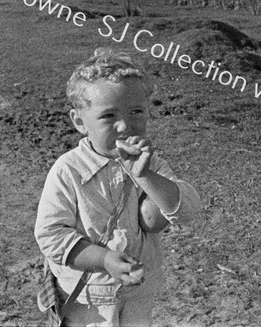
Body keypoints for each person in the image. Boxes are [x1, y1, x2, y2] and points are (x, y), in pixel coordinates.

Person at [35, 48, 201, 326]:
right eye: (109, 116)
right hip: (87, 302)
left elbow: (187, 211)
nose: (125, 126)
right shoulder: (69, 170)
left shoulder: (151, 163)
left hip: (138, 293)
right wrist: (104, 259)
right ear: (79, 122)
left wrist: (146, 176)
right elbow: (51, 235)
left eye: (136, 111)